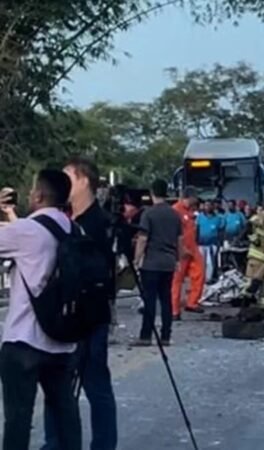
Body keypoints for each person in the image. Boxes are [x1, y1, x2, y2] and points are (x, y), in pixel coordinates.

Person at [0, 172, 82, 450]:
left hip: (24, 340)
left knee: (18, 420)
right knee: (65, 415)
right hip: (63, 340)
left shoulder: (27, 230)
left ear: (38, 196)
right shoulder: (75, 230)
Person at [42, 158, 118, 450]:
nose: (63, 185)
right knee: (56, 384)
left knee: (95, 383)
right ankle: (55, 444)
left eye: (68, 178)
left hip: (92, 314)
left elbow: (103, 271)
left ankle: (103, 444)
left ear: (84, 180)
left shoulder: (99, 223)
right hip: (65, 314)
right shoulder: (64, 218)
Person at [132, 180, 182, 347]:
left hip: (151, 263)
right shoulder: (175, 214)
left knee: (150, 300)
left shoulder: (149, 213)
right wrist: (178, 259)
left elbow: (143, 238)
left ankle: (146, 336)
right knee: (166, 300)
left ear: (152, 193)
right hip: (168, 262)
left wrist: (137, 258)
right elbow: (180, 240)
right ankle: (166, 336)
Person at [171, 187, 204, 318]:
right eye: (195, 198)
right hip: (181, 249)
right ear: (189, 197)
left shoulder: (190, 211)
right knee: (177, 280)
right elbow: (173, 232)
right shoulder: (175, 211)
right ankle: (174, 310)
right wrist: (180, 249)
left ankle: (192, 302)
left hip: (192, 248)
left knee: (200, 273)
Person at [197, 200, 225, 284]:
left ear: (213, 206)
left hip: (212, 244)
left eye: (209, 205)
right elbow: (196, 229)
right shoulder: (200, 217)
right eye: (206, 205)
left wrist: (220, 243)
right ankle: (201, 279)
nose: (207, 207)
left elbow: (221, 231)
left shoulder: (218, 218)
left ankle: (208, 280)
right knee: (201, 263)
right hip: (201, 244)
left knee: (210, 263)